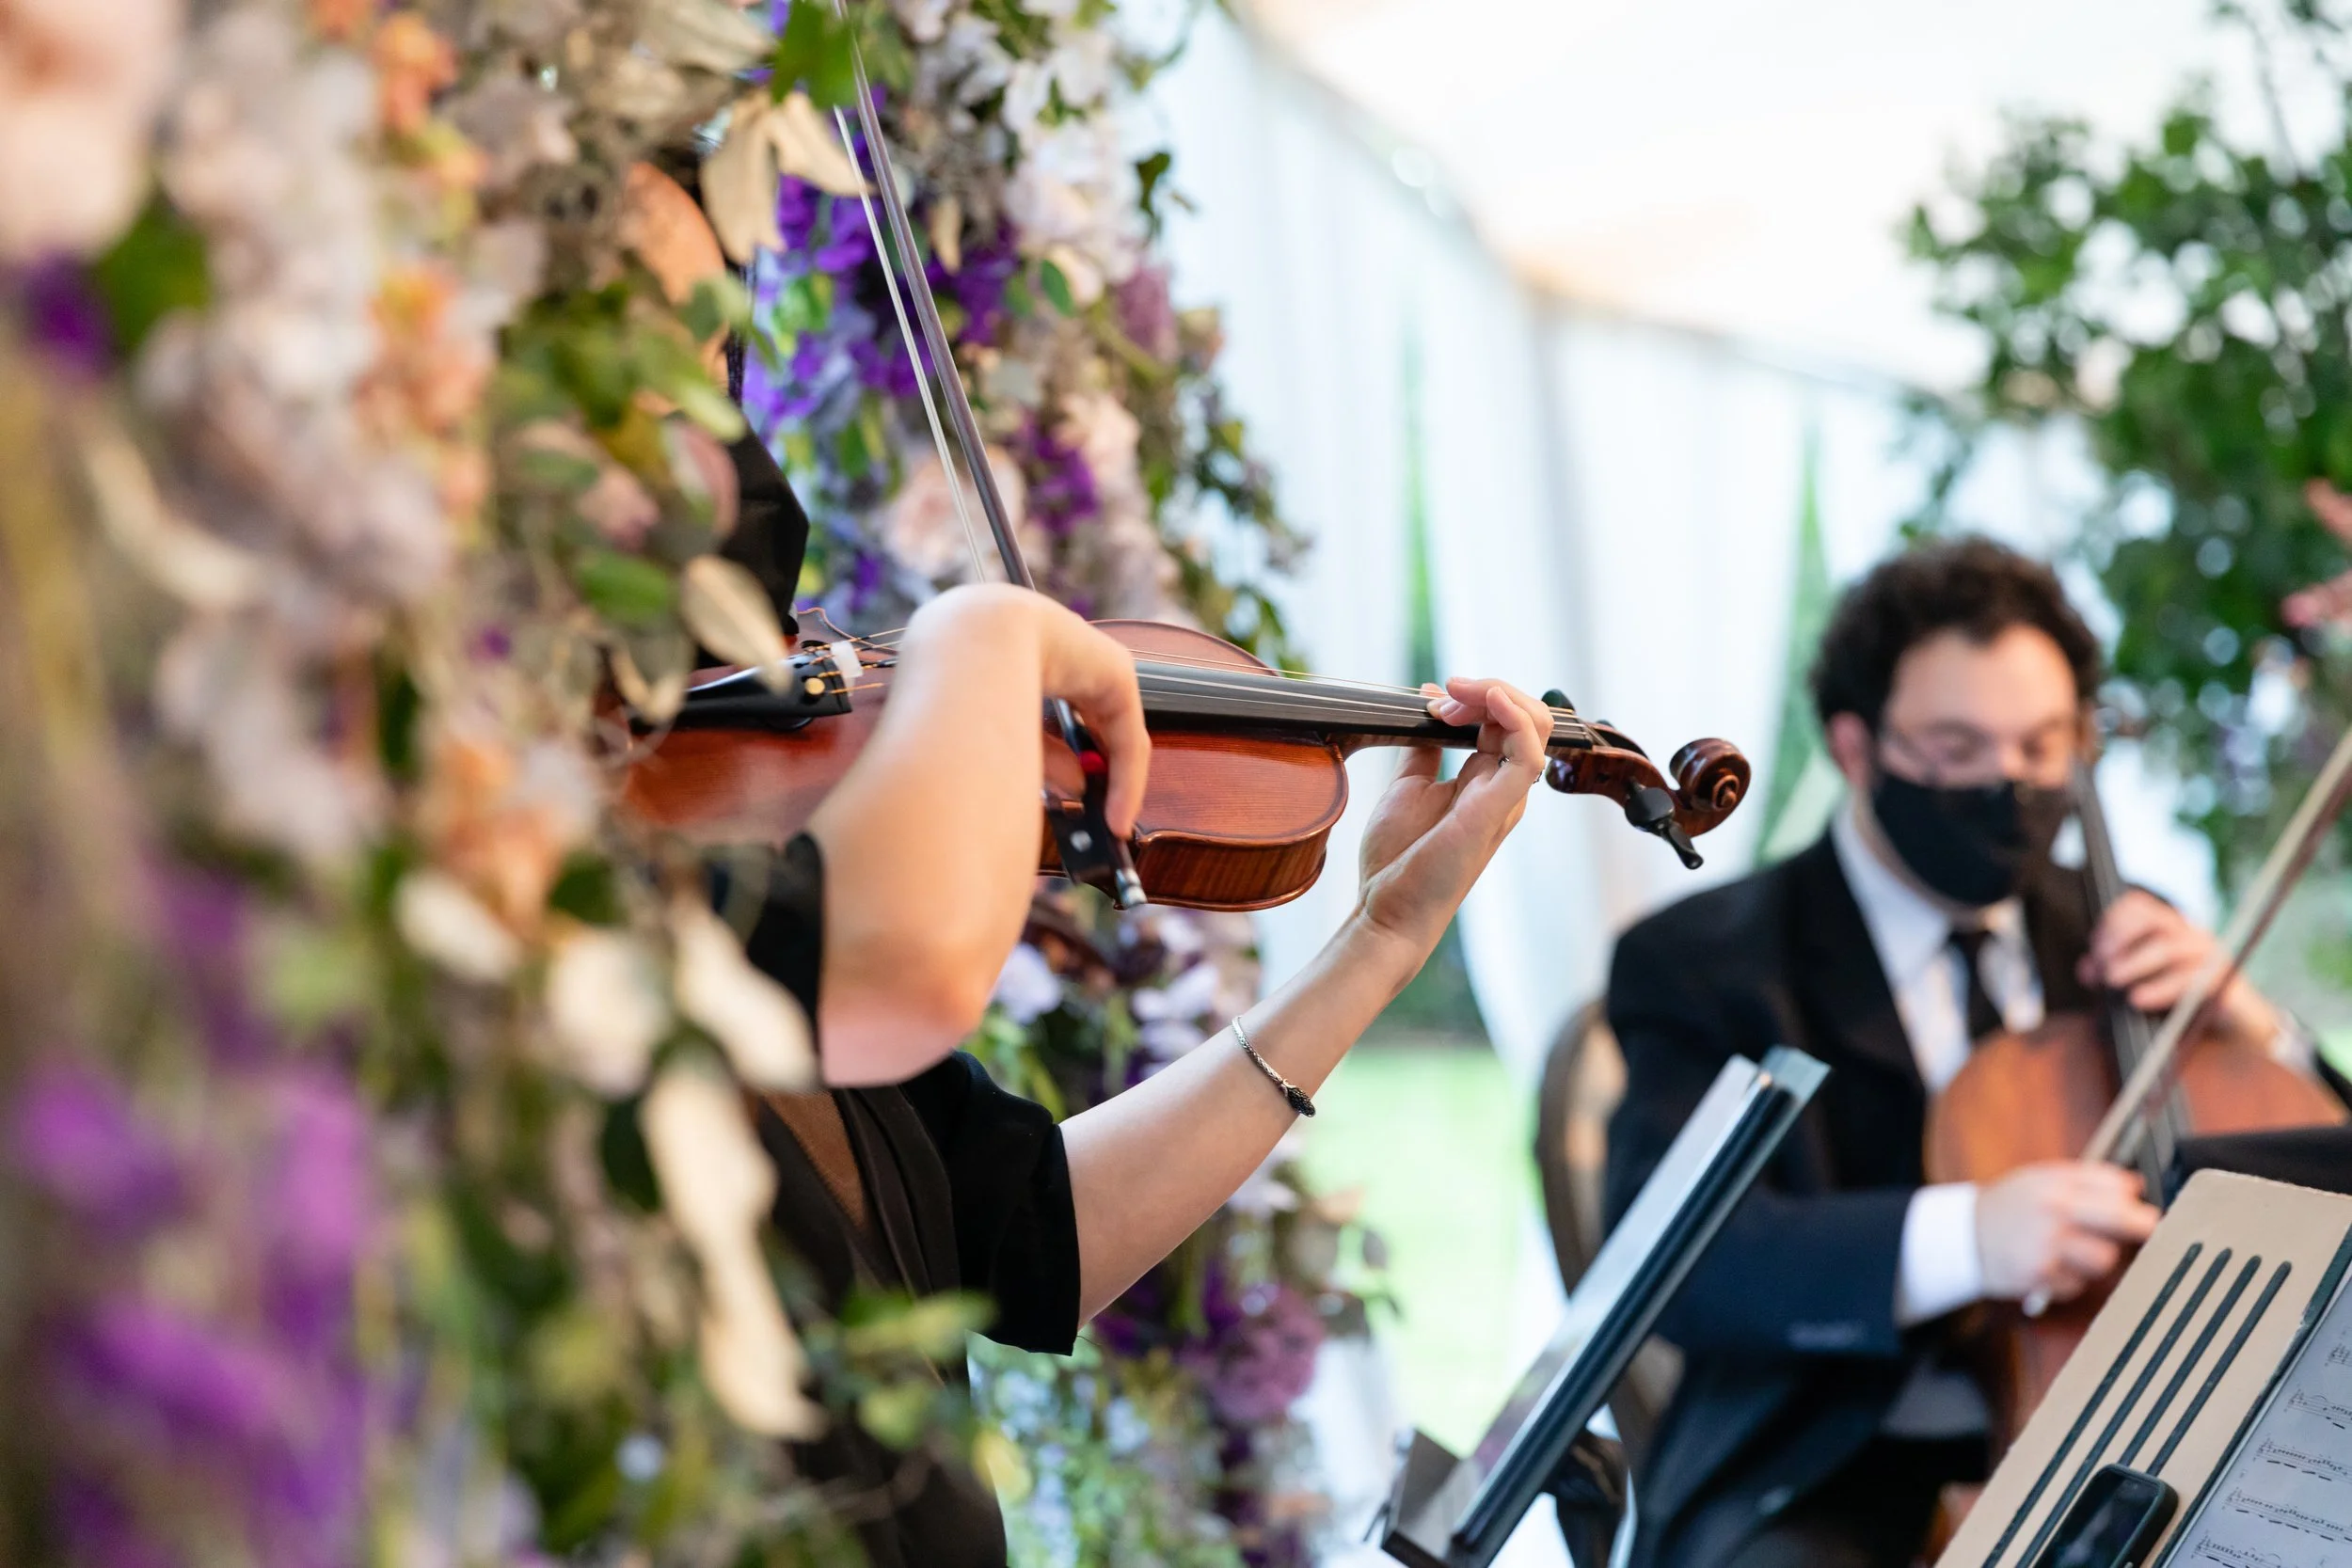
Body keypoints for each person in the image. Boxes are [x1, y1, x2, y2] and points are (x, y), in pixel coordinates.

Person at [706, 433, 1556, 1565]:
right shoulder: (614, 928)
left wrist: (1381, 942)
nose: (800, 680)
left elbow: (1034, 1233)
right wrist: (982, 640)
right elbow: (896, 968)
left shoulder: (759, 942)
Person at [1601, 537, 2349, 1568]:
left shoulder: (2122, 928)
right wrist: (1968, 1236)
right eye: (1957, 748)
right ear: (1856, 746)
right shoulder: (1709, 960)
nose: (2008, 780)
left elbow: (2321, 1172)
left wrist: (2258, 1027)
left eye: (2042, 745)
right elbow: (1676, 1260)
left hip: (2137, 1448)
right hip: (1829, 1463)